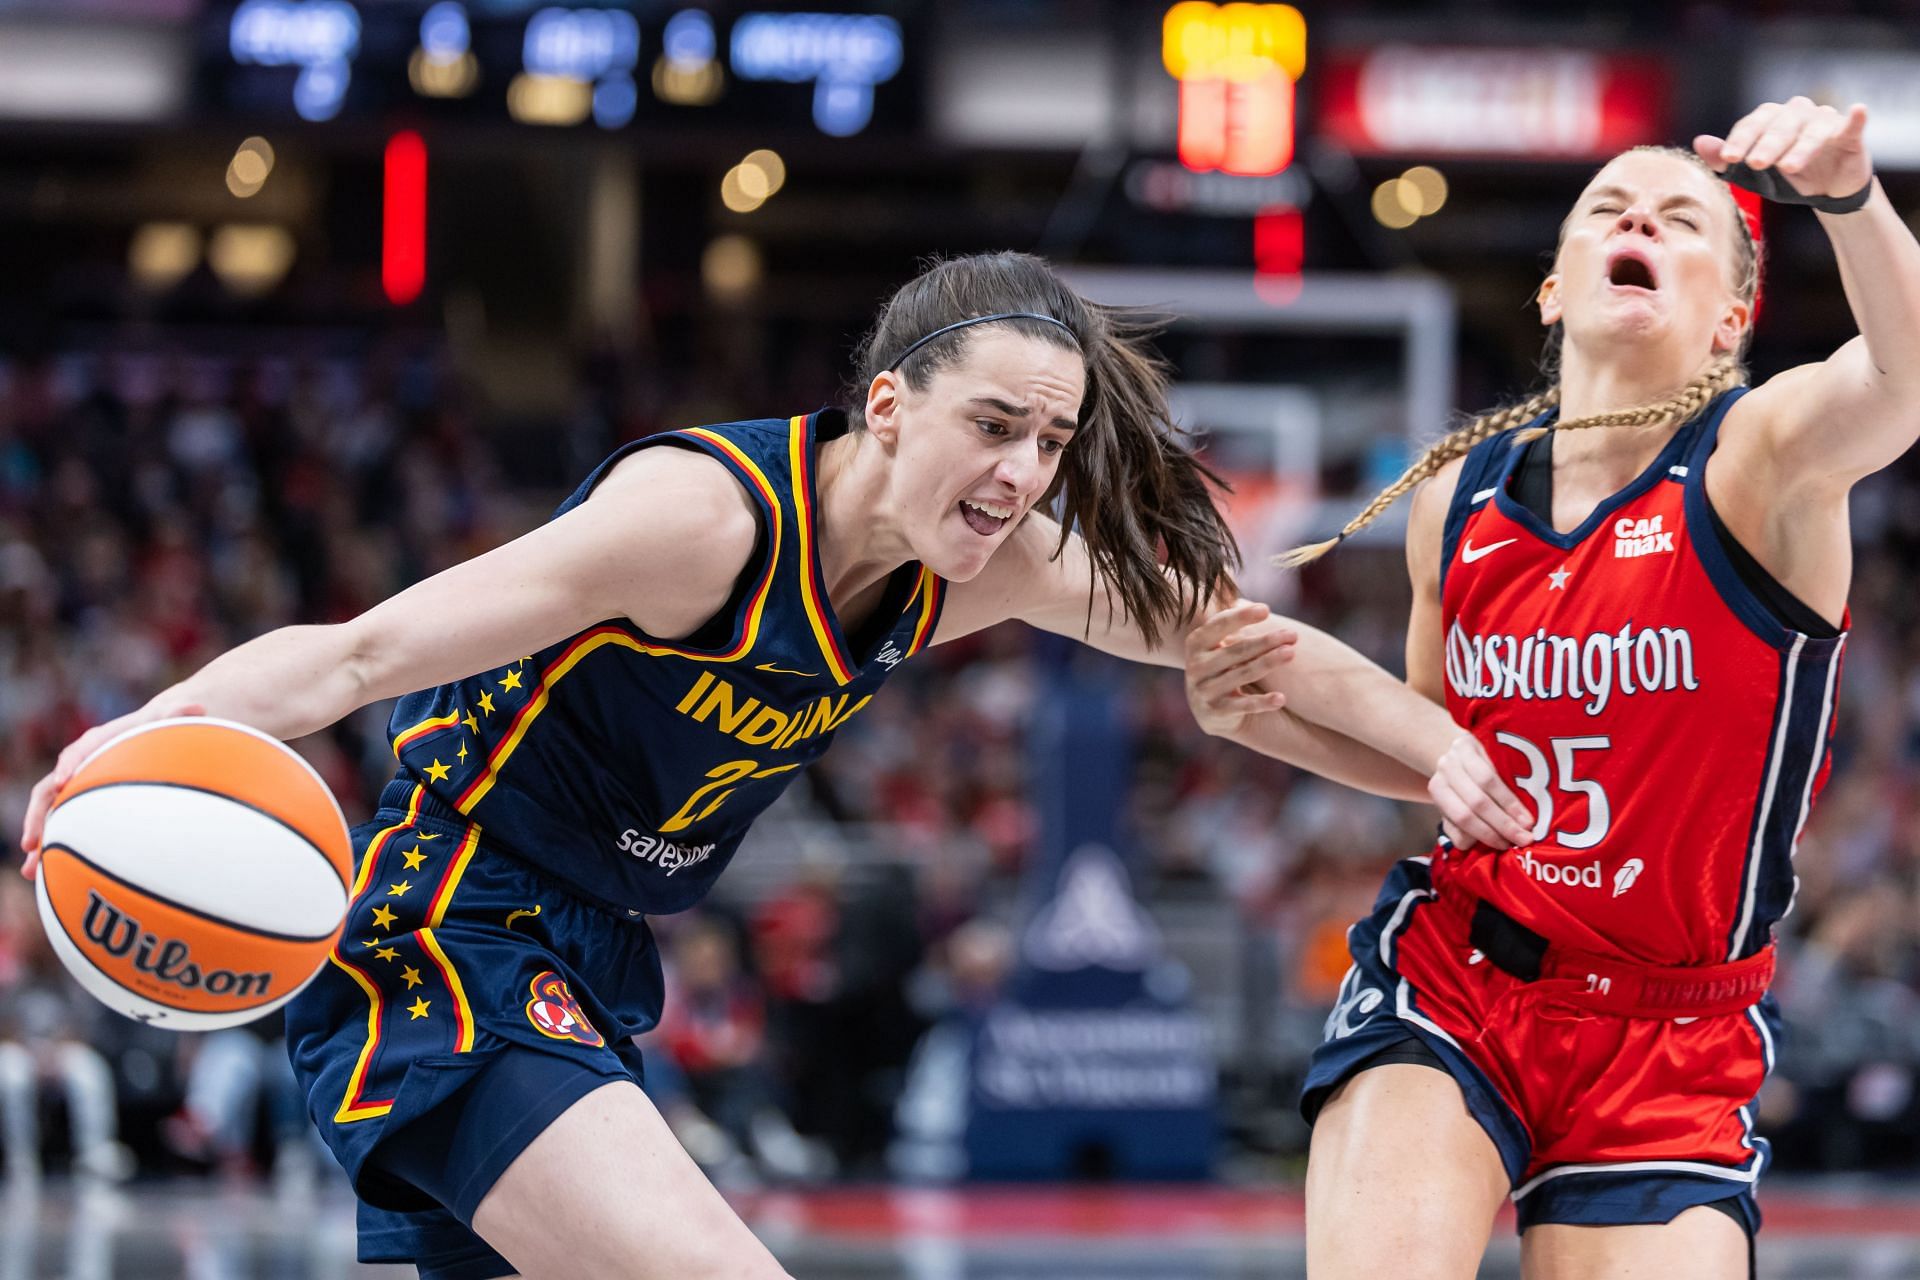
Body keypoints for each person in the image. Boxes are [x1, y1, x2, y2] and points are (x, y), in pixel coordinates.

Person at [20, 252, 1506, 1280]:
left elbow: (1244, 653)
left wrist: (1445, 765)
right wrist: (129, 743)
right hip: (448, 931)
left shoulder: (985, 566)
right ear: (885, 405)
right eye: (992, 426)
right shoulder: (702, 521)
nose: (1021, 473)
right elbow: (357, 655)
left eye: (1048, 441)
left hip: (594, 958)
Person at [1187, 99, 1920, 1278]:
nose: (1640, 215)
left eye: (1684, 218)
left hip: (1673, 1031)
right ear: (1553, 288)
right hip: (1460, 981)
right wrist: (1263, 721)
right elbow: (1437, 759)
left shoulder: (1762, 461)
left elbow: (1904, 376)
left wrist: (1851, 196)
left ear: (1734, 315)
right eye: (1607, 208)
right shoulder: (1458, 498)